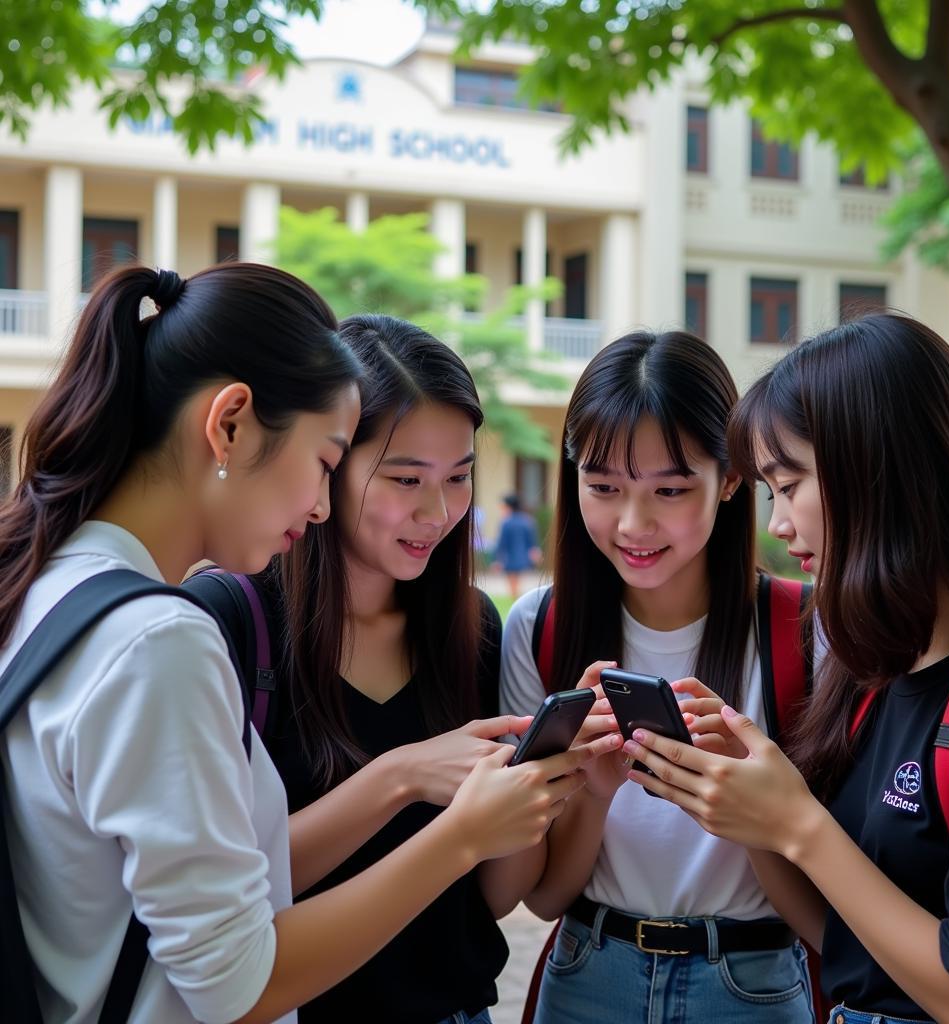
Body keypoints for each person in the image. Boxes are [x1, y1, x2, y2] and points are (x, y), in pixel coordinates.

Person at [0, 266, 610, 1024]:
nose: (319, 504)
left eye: (459, 478)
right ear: (228, 425)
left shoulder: (53, 584)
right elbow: (235, 982)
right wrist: (449, 825)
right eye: (326, 461)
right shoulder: (163, 637)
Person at [186, 313, 618, 1024]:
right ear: (330, 463)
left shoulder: (469, 625)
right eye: (406, 478)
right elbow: (234, 883)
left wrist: (555, 786)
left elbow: (495, 896)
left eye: (460, 476)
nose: (438, 511)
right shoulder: (230, 620)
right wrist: (402, 775)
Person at [621, 314, 949, 1023]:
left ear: (881, 467)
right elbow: (844, 939)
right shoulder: (879, 666)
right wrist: (752, 812)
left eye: (789, 483)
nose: (776, 524)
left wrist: (799, 823)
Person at [501, 329, 815, 1023]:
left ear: (732, 479)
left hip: (754, 984)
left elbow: (820, 920)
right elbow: (543, 900)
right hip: (589, 974)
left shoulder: (804, 630)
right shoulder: (538, 628)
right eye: (603, 487)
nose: (633, 523)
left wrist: (745, 811)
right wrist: (591, 789)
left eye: (670, 490)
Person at [491, 494, 541, 600]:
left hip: (509, 557)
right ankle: (516, 599)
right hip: (523, 557)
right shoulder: (527, 520)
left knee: (512, 583)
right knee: (517, 582)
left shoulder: (506, 522)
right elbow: (532, 541)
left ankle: (514, 600)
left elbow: (501, 543)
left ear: (509, 506)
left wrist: (496, 560)